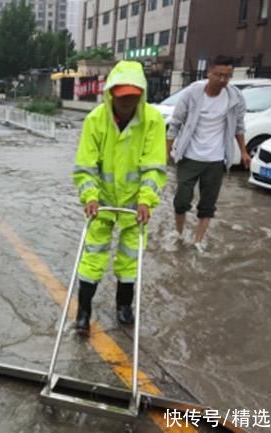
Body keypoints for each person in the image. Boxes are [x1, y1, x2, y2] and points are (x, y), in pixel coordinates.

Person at [72, 60, 167, 334]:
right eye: (122, 96)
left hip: (135, 203)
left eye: (133, 97)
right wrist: (90, 196)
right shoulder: (95, 120)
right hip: (101, 200)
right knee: (93, 256)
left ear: (142, 95)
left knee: (130, 256)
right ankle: (84, 310)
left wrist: (146, 200)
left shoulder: (152, 121)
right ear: (111, 93)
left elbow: (154, 166)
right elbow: (85, 167)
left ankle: (124, 306)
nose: (127, 103)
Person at [166, 55, 251, 252]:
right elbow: (176, 122)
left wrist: (244, 152)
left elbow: (239, 127)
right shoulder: (193, 93)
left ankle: (198, 241)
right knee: (181, 200)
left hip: (215, 159)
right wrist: (167, 149)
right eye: (218, 75)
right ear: (209, 73)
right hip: (189, 156)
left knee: (208, 204)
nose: (222, 80)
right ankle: (179, 234)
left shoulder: (235, 97)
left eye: (227, 76)